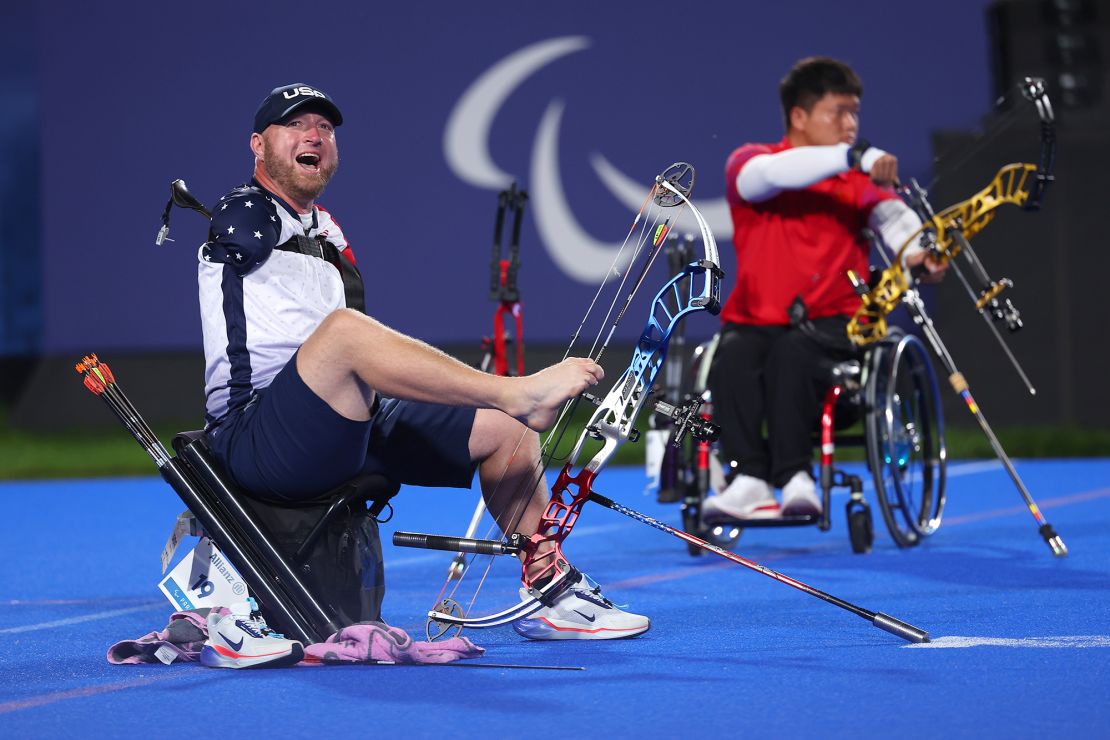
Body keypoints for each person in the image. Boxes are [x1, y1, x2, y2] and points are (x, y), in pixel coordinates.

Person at [197, 83, 650, 641]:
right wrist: (250, 205)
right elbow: (238, 232)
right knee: (346, 334)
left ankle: (550, 590)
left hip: (336, 419)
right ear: (258, 146)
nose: (315, 134)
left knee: (505, 432)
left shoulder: (328, 234)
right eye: (295, 125)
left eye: (326, 128)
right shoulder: (245, 214)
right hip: (254, 436)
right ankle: (514, 391)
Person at [702, 57, 945, 523]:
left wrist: (918, 252)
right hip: (755, 322)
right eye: (839, 111)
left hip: (834, 328)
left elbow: (894, 221)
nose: (851, 124)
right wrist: (854, 156)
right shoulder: (750, 162)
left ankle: (796, 477)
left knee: (793, 353)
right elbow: (767, 179)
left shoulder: (856, 182)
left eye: (855, 113)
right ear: (799, 116)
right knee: (732, 355)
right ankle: (750, 480)